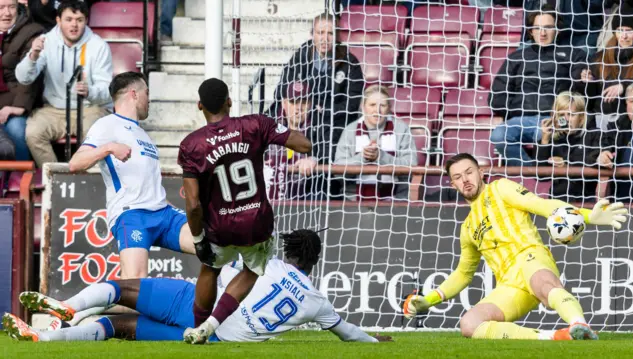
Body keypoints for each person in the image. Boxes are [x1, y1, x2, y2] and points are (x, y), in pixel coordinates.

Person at [4, 230, 390, 343]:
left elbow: (228, 272)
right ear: (314, 262)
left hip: (195, 304)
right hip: (220, 340)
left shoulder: (265, 263)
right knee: (114, 329)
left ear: (287, 249)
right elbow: (348, 333)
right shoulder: (317, 301)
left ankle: (68, 307)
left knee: (118, 288)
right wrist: (376, 342)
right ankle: (44, 342)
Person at [403, 153, 628, 340]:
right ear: (452, 184)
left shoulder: (500, 188)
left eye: (469, 172)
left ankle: (580, 324)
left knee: (544, 285)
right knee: (469, 324)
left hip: (531, 257)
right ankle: (553, 336)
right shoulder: (468, 228)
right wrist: (429, 300)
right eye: (458, 177)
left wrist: (588, 216)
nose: (466, 180)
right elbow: (463, 274)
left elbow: (541, 204)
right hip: (509, 285)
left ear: (481, 172)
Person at [177, 78, 312, 345]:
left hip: (219, 226)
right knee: (252, 269)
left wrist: (198, 238)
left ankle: (199, 327)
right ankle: (212, 324)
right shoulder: (255, 124)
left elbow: (193, 204)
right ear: (229, 101)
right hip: (256, 223)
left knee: (209, 268)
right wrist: (276, 130)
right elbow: (304, 145)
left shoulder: (191, 144)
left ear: (199, 105)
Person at [68, 72, 195, 281]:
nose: (149, 99)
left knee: (210, 247)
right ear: (134, 94)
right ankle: (78, 308)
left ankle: (224, 308)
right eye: (147, 93)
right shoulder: (107, 124)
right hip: (132, 214)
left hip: (162, 213)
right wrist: (109, 148)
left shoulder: (142, 134)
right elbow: (75, 163)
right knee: (135, 285)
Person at [15, 0, 112, 167]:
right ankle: (55, 176)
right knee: (33, 132)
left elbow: (108, 90)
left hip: (91, 108)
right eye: (68, 19)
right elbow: (24, 78)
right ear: (58, 20)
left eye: (79, 20)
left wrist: (90, 91)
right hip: (54, 109)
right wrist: (33, 56)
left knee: (95, 135)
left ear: (86, 21)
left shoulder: (99, 45)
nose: (74, 25)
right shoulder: (46, 41)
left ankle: (85, 180)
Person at [489, 5, 587, 167]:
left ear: (557, 30)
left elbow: (580, 88)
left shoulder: (574, 54)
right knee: (499, 135)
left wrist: (582, 79)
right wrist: (510, 111)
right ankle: (530, 172)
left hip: (557, 118)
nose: (542, 33)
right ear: (530, 31)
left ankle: (547, 173)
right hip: (521, 119)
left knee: (553, 135)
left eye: (548, 28)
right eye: (538, 28)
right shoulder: (516, 58)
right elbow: (497, 95)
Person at [269, 12, 364, 163]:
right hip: (303, 115)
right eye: (320, 33)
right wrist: (306, 106)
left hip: (332, 120)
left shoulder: (350, 63)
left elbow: (352, 104)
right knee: (272, 115)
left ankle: (325, 173)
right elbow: (281, 90)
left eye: (330, 33)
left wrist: (325, 110)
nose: (325, 39)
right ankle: (275, 163)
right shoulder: (301, 56)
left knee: (331, 131)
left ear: (338, 36)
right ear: (312, 34)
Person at [334, 85, 417, 201]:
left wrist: (381, 157)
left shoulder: (401, 128)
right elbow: (337, 172)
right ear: (363, 107)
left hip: (396, 202)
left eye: (382, 105)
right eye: (372, 105)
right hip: (353, 202)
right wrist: (362, 158)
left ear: (389, 108)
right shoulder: (350, 130)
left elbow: (412, 166)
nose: (377, 110)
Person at [535, 92, 605, 203]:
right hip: (557, 201)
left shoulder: (594, 135)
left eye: (571, 115)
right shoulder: (554, 139)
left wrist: (566, 168)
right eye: (562, 115)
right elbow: (540, 176)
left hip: (584, 200)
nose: (566, 120)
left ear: (581, 117)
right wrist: (544, 141)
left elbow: (593, 171)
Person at [582, 1, 633, 128]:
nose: (624, 36)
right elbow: (588, 99)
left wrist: (624, 87)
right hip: (602, 120)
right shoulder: (600, 58)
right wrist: (584, 81)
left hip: (632, 122)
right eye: (619, 30)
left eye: (629, 31)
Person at [265, 81, 326, 200]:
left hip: (308, 195)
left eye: (304, 102)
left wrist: (314, 159)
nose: (299, 108)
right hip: (270, 192)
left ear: (310, 104)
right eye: (293, 102)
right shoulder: (268, 126)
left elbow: (328, 150)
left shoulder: (321, 127)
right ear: (283, 103)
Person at [0, 0, 44, 161]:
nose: (7, 13)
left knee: (16, 129)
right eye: (1, 8)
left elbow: (30, 77)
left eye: (11, 7)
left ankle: (19, 180)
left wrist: (17, 107)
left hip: (16, 104)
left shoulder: (32, 33)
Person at [598, 82, 633, 201]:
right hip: (622, 200)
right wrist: (603, 153)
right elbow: (604, 142)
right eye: (632, 101)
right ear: (626, 105)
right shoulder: (619, 126)